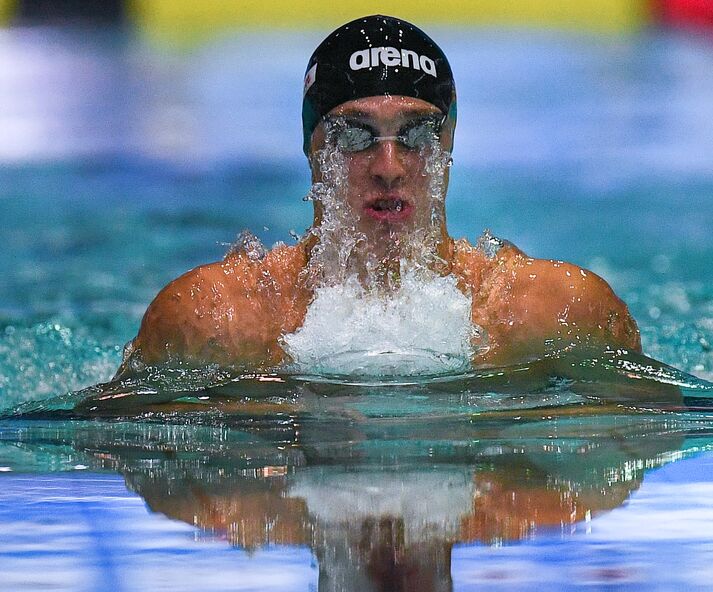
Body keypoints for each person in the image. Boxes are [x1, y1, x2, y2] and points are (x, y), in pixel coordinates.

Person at [116, 14, 641, 378]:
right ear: (312, 144)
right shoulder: (216, 321)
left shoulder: (556, 314)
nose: (389, 168)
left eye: (416, 135)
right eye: (353, 135)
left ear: (449, 141)